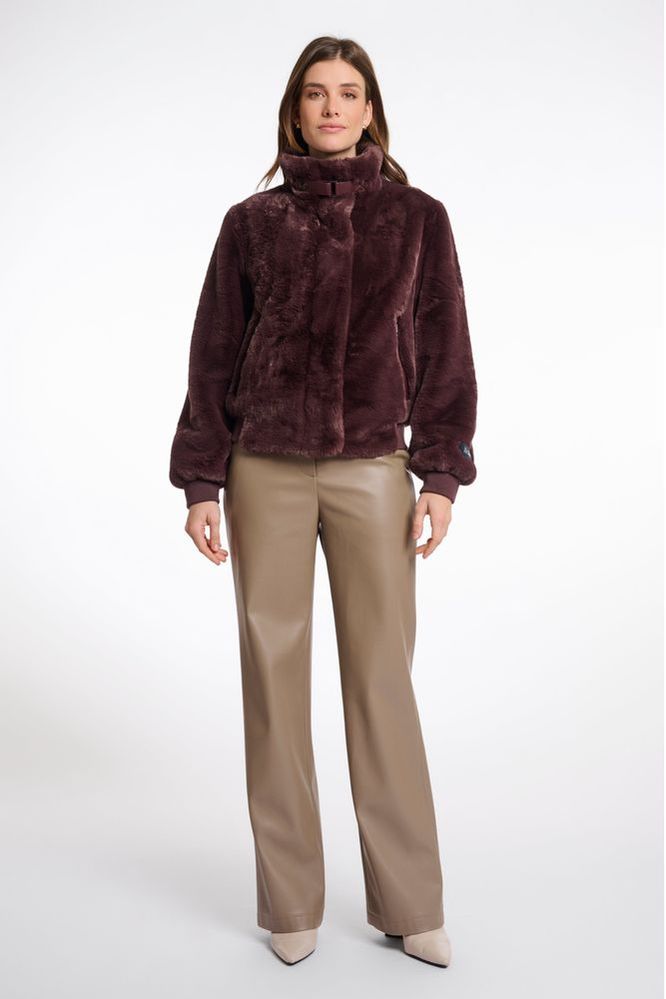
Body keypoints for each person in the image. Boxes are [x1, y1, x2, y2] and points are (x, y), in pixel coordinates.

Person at [169, 36, 478, 968]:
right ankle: (291, 898)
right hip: (262, 468)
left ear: (371, 109)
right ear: (295, 110)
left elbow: (447, 350)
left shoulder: (418, 218)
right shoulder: (250, 223)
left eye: (348, 93)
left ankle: (409, 900)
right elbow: (213, 352)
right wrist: (201, 479)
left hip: (373, 468)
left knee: (382, 680)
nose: (332, 108)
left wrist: (442, 474)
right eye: (316, 93)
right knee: (273, 679)